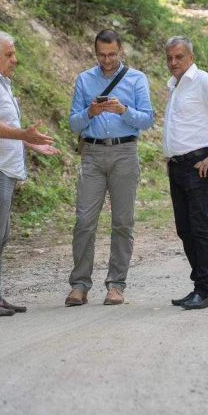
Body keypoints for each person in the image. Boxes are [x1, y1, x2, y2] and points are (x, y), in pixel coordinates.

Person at [0, 31, 60, 317]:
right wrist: (22, 134)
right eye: (9, 54)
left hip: (1, 169)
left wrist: (30, 142)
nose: (14, 59)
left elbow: (1, 126)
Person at [65, 29, 154, 306]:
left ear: (120, 51)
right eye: (102, 55)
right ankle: (80, 284)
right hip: (92, 154)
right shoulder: (84, 79)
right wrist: (89, 112)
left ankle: (116, 284)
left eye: (112, 54)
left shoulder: (136, 79)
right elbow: (73, 123)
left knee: (123, 222)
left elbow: (147, 119)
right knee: (84, 221)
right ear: (95, 53)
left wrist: (123, 110)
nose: (107, 60)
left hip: (125, 152)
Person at [162, 36, 208, 310]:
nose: (173, 62)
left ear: (191, 57)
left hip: (200, 164)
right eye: (169, 58)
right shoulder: (174, 86)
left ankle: (205, 291)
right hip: (177, 166)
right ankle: (198, 286)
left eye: (179, 56)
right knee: (184, 229)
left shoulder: (204, 81)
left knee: (200, 228)